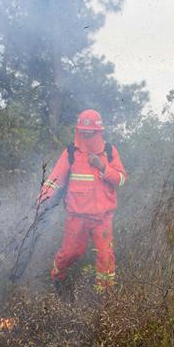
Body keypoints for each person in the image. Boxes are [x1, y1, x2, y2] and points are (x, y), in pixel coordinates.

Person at [38, 109, 127, 290]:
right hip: (77, 216)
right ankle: (57, 281)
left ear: (98, 132)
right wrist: (41, 198)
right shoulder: (71, 152)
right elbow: (55, 178)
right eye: (82, 133)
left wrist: (103, 167)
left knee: (105, 256)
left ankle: (105, 294)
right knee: (71, 253)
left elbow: (121, 179)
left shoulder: (110, 152)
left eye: (89, 133)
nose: (85, 136)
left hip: (103, 218)